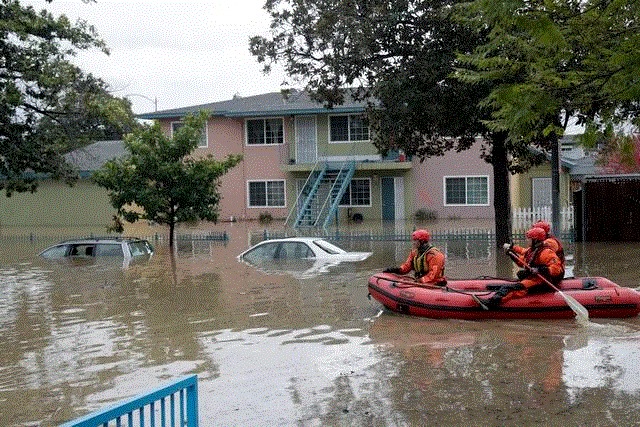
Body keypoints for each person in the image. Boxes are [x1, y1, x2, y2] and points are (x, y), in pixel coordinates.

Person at [478, 227, 564, 309]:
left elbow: (557, 269)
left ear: (535, 240)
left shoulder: (546, 252)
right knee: (511, 283)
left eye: (529, 239)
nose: (527, 240)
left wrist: (540, 270)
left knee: (511, 288)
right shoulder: (532, 250)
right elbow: (522, 262)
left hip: (543, 282)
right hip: (535, 278)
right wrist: (512, 255)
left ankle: (491, 303)